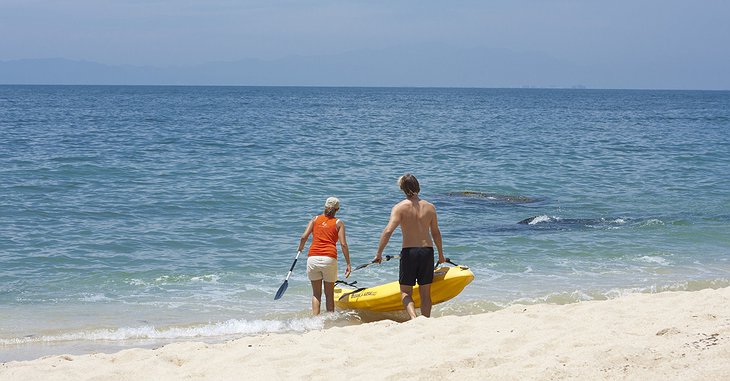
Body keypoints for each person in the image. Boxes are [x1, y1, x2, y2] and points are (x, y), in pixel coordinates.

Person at [373, 173, 445, 319]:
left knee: (405, 292)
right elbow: (436, 233)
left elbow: (388, 231)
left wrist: (379, 253)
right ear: (418, 186)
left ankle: (414, 318)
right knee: (425, 293)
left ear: (402, 188)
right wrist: (441, 254)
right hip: (427, 252)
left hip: (410, 252)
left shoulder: (399, 208)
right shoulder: (430, 207)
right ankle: (425, 320)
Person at [298, 197, 351, 315]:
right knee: (329, 294)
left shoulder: (315, 219)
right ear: (338, 209)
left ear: (325, 206)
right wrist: (348, 263)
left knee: (316, 294)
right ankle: (330, 320)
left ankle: (315, 321)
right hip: (329, 259)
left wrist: (301, 247)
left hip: (313, 258)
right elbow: (343, 244)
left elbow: (303, 237)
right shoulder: (339, 223)